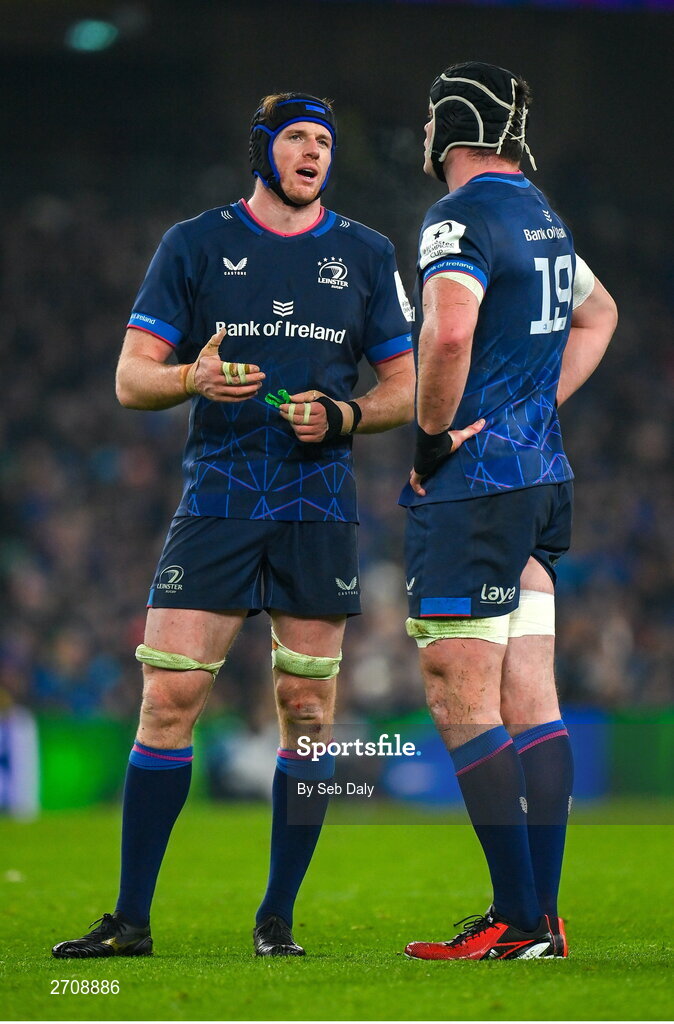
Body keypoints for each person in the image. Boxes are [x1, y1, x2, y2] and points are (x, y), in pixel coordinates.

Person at [52, 92, 415, 959]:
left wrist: (344, 415)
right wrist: (191, 380)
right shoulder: (195, 243)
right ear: (263, 149)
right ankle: (131, 920)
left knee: (307, 712)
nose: (313, 152)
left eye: (325, 141)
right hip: (217, 498)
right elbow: (131, 379)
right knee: (170, 697)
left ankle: (277, 920)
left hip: (315, 506)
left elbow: (405, 389)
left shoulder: (366, 254)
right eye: (296, 137)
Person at [400, 62, 618, 961]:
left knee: (459, 687)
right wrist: (540, 408)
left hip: (477, 486)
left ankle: (517, 917)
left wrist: (430, 438)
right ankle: (544, 918)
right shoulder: (546, 219)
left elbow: (448, 332)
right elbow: (600, 316)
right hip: (541, 482)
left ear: (448, 127)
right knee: (532, 693)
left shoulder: (460, 216)